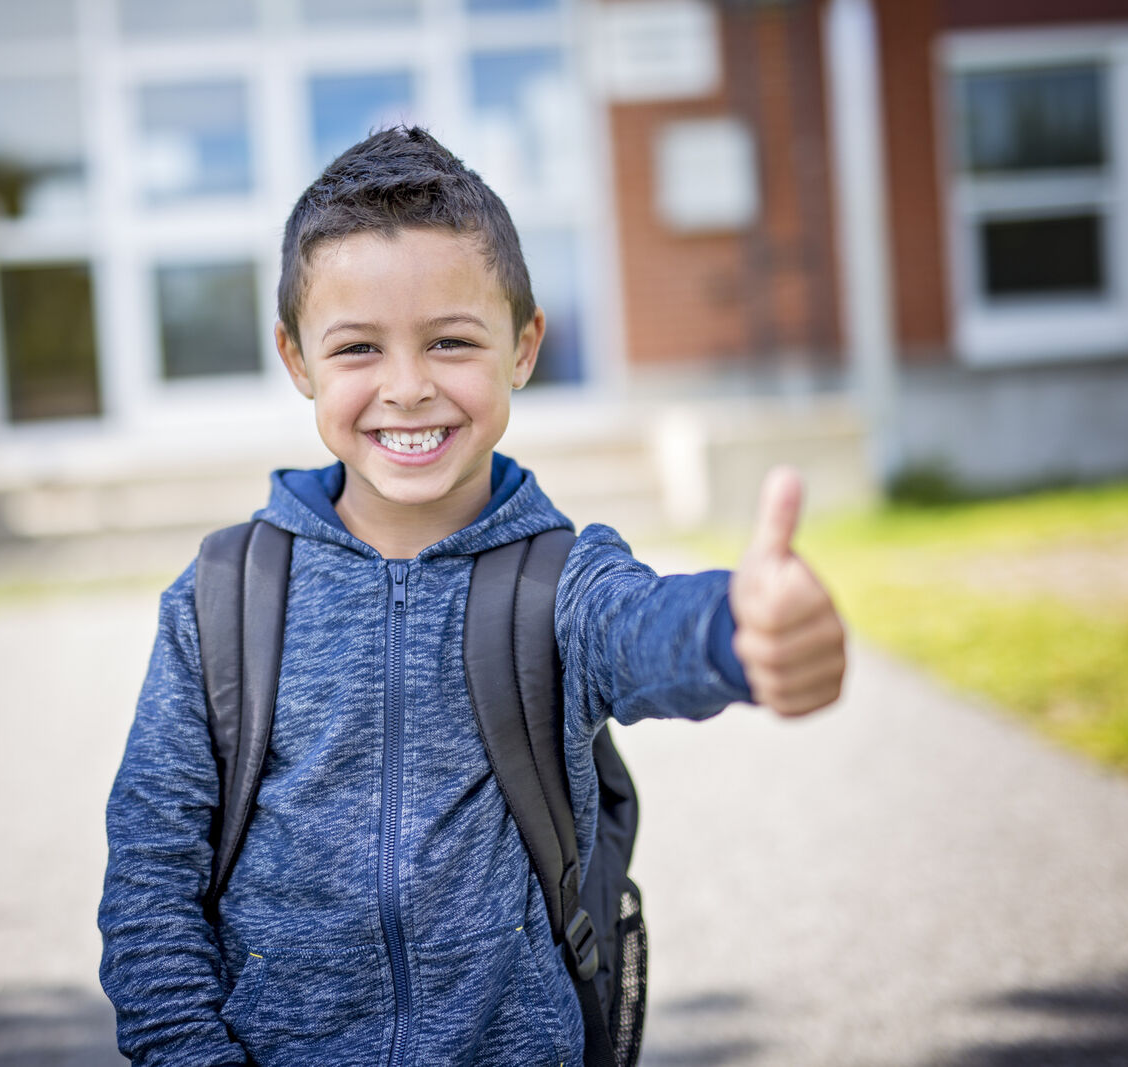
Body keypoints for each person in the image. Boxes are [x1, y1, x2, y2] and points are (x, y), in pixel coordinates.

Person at [98, 126, 846, 1066]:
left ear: (523, 346)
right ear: (296, 361)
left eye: (451, 341)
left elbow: (645, 626)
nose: (407, 389)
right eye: (358, 348)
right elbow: (151, 872)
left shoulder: (562, 579)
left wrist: (741, 628)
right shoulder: (221, 599)